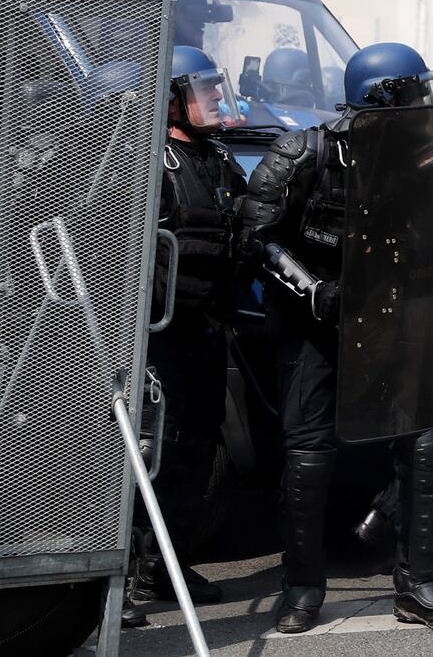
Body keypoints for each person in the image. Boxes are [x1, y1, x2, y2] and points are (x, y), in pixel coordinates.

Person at [240, 42, 433, 634]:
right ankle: (302, 589)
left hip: (391, 326)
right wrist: (313, 288)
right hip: (315, 327)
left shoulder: (422, 160)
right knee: (308, 458)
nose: (424, 105)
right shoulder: (301, 153)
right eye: (414, 93)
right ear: (385, 98)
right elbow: (257, 236)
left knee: (425, 447)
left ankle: (419, 586)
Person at [125, 45, 247, 627]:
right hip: (158, 333)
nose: (217, 96)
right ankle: (119, 579)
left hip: (205, 329)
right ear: (173, 99)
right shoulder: (145, 160)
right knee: (149, 451)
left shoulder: (219, 160)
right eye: (204, 89)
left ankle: (163, 567)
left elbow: (254, 217)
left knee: (196, 449)